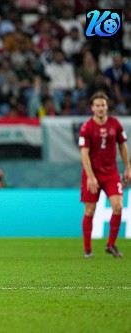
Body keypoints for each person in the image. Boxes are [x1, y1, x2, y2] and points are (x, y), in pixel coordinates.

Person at [79, 91, 131, 259]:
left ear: (107, 107)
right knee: (90, 210)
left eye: (103, 105)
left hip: (111, 174)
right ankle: (87, 249)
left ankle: (111, 245)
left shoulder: (115, 124)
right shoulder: (86, 127)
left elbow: (123, 146)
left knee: (117, 206)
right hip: (92, 174)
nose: (100, 108)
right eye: (97, 106)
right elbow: (84, 153)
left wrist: (128, 167)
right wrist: (91, 176)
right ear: (92, 108)